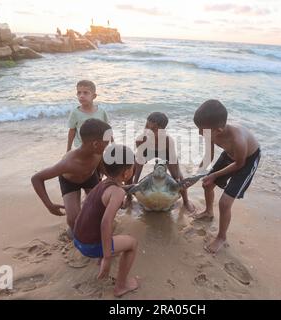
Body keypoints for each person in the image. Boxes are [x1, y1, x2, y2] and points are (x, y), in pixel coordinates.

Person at [193, 100, 261, 254]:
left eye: (201, 130)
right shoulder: (211, 132)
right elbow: (208, 155)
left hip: (246, 160)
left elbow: (239, 164)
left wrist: (215, 174)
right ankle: (209, 212)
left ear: (218, 130)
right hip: (230, 155)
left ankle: (221, 237)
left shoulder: (238, 140)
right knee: (207, 184)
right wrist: (196, 176)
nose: (199, 133)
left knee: (224, 203)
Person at [73, 144, 139, 297]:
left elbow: (113, 194)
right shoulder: (117, 192)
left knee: (113, 223)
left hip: (78, 239)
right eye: (132, 168)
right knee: (132, 244)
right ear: (127, 172)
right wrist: (108, 259)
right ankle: (121, 286)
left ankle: (101, 256)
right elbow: (105, 223)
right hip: (89, 247)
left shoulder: (102, 183)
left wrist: (133, 187)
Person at [31, 119, 112, 233]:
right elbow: (36, 178)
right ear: (95, 144)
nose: (108, 145)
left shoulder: (98, 152)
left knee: (102, 208)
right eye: (106, 142)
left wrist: (112, 180)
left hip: (90, 176)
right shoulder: (68, 163)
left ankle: (86, 203)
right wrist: (49, 205)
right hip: (70, 182)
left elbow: (101, 165)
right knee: (73, 221)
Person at [123, 112, 196, 213]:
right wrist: (135, 182)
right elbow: (139, 162)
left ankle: (186, 201)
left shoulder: (168, 141)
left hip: (165, 152)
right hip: (147, 151)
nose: (148, 131)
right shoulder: (141, 140)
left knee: (180, 177)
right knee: (129, 173)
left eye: (153, 129)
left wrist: (176, 179)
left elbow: (173, 160)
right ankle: (128, 198)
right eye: (146, 127)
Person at [67, 80, 110, 152]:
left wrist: (112, 144)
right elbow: (72, 131)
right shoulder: (75, 113)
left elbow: (107, 129)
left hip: (98, 147)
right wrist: (68, 149)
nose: (81, 96)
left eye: (85, 93)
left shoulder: (101, 112)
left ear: (94, 96)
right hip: (81, 147)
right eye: (79, 93)